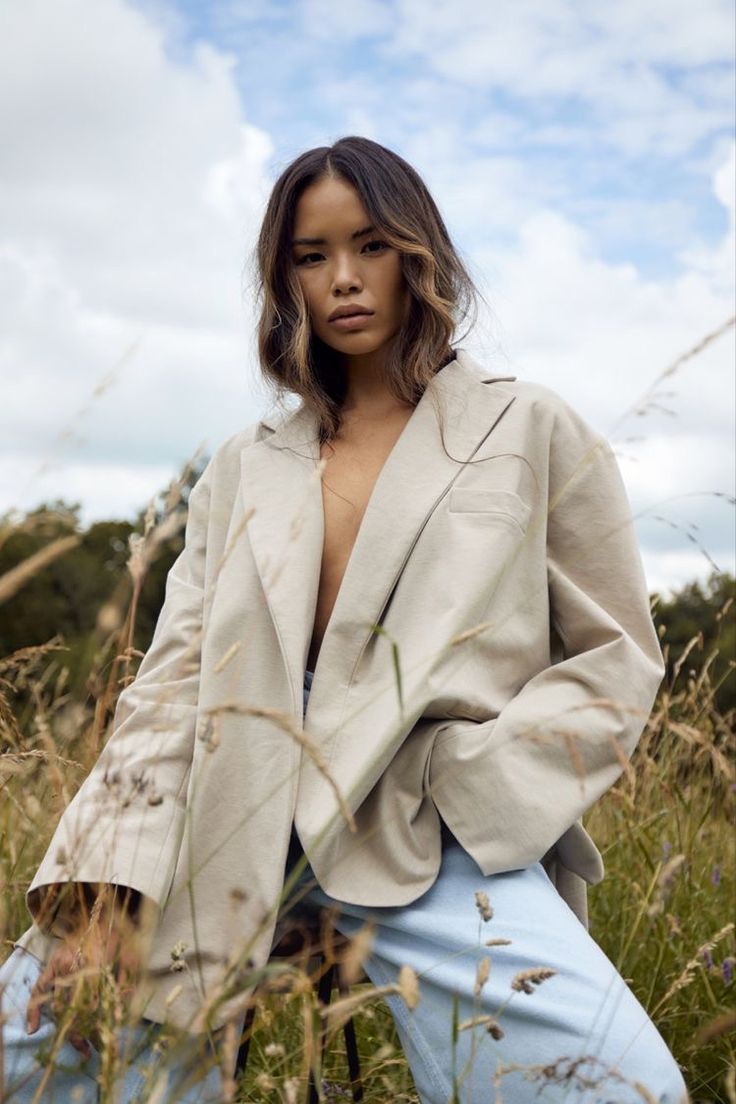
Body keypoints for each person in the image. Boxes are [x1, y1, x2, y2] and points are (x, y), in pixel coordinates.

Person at [1, 136, 689, 1103]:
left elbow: (615, 659)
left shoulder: (529, 427)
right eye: (311, 257)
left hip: (424, 824)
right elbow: (173, 681)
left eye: (369, 246)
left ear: (418, 252)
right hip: (227, 801)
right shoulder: (243, 463)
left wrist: (469, 794)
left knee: (620, 1086)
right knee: (35, 1051)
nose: (344, 281)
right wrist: (99, 896)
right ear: (284, 279)